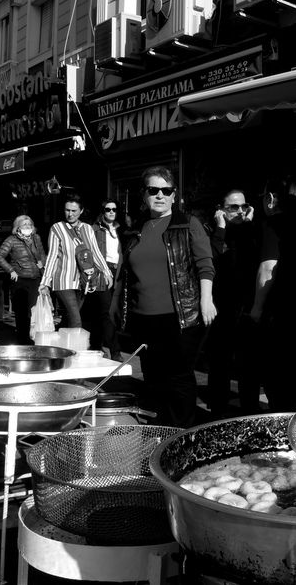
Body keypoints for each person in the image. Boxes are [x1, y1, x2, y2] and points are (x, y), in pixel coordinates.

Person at [112, 166, 217, 427]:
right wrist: (115, 303)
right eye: (153, 190)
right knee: (154, 378)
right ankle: (161, 435)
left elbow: (205, 264)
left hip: (180, 317)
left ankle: (181, 436)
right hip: (144, 318)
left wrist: (207, 299)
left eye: (166, 190)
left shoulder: (187, 223)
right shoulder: (134, 229)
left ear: (174, 195)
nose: (160, 195)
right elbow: (124, 272)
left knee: (179, 378)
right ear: (144, 194)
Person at [251, 177, 296, 412]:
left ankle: (280, 430)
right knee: (293, 377)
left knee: (276, 379)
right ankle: (294, 429)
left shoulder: (273, 224)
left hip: (277, 312)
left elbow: (268, 269)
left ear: (271, 198)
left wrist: (256, 308)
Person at [204, 188, 261, 416]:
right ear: (221, 210)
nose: (239, 211)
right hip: (221, 308)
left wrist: (247, 225)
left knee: (249, 365)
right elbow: (211, 261)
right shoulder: (214, 233)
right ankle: (217, 413)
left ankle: (250, 412)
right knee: (220, 364)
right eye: (233, 207)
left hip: (247, 307)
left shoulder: (251, 231)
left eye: (243, 206)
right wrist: (220, 228)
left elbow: (254, 260)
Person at [39, 193, 112, 330]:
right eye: (67, 210)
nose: (70, 214)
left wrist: (106, 272)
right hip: (62, 280)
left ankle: (62, 346)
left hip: (83, 281)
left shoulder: (87, 228)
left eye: (74, 211)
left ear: (81, 211)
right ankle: (74, 350)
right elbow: (52, 256)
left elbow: (95, 252)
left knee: (70, 318)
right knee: (76, 320)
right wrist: (45, 282)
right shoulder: (57, 228)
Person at [0, 215, 47, 344]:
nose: (27, 227)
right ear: (18, 227)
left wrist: (42, 263)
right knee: (22, 311)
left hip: (35, 278)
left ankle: (32, 335)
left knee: (33, 309)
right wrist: (10, 270)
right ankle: (23, 338)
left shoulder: (36, 238)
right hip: (20, 279)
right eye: (24, 225)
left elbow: (42, 254)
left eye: (29, 225)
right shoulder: (11, 240)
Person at [91, 198, 123, 359]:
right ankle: (115, 351)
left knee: (107, 312)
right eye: (108, 209)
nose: (111, 212)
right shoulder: (94, 229)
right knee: (106, 312)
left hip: (119, 272)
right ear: (102, 211)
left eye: (114, 209)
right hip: (102, 271)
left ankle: (96, 346)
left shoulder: (121, 229)